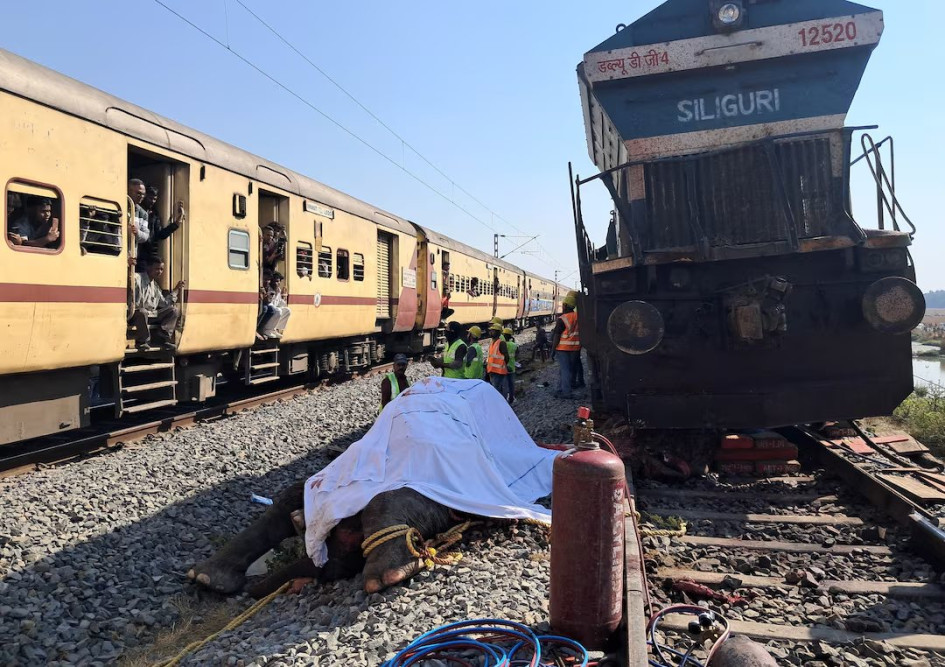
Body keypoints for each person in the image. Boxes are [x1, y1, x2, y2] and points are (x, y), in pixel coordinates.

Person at [130, 258, 184, 351]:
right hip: (136, 314)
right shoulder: (137, 278)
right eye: (157, 269)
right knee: (142, 312)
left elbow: (164, 303)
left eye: (161, 269)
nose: (159, 272)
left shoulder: (154, 285)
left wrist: (176, 289)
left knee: (173, 310)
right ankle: (142, 341)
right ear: (148, 268)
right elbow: (128, 278)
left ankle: (163, 338)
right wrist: (129, 266)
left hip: (151, 314)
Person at [141, 186, 185, 262]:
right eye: (150, 198)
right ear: (144, 196)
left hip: (150, 253)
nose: (152, 201)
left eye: (154, 199)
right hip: (139, 251)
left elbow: (160, 234)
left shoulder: (154, 214)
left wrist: (177, 223)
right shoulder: (138, 210)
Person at [551, 293, 580, 399]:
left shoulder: (562, 319)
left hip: (563, 349)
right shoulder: (578, 316)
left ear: (566, 305)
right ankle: (560, 389)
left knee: (565, 370)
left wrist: (553, 350)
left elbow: (556, 336)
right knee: (566, 370)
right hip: (575, 348)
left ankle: (566, 392)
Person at [259, 271, 291, 339]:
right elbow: (269, 303)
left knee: (287, 310)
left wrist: (284, 297)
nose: (277, 283)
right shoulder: (269, 289)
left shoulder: (278, 290)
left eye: (278, 281)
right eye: (275, 281)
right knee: (277, 310)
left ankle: (275, 329)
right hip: (271, 309)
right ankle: (267, 330)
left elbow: (280, 304)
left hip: (275, 309)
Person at [486, 323, 510, 399]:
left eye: (493, 331)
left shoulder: (501, 343)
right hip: (492, 371)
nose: (490, 332)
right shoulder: (492, 342)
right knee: (495, 390)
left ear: (498, 332)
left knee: (497, 391)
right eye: (491, 331)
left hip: (498, 372)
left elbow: (506, 357)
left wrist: (502, 365)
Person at [128, 179, 150, 262]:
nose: (141, 196)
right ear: (128, 191)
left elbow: (145, 236)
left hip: (130, 256)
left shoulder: (143, 214)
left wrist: (137, 232)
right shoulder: (118, 206)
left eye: (143, 194)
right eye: (138, 193)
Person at [503, 327, 518, 406]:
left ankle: (505, 400)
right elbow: (517, 354)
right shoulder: (514, 345)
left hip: (504, 367)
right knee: (511, 384)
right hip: (512, 367)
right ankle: (511, 398)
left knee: (505, 385)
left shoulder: (503, 344)